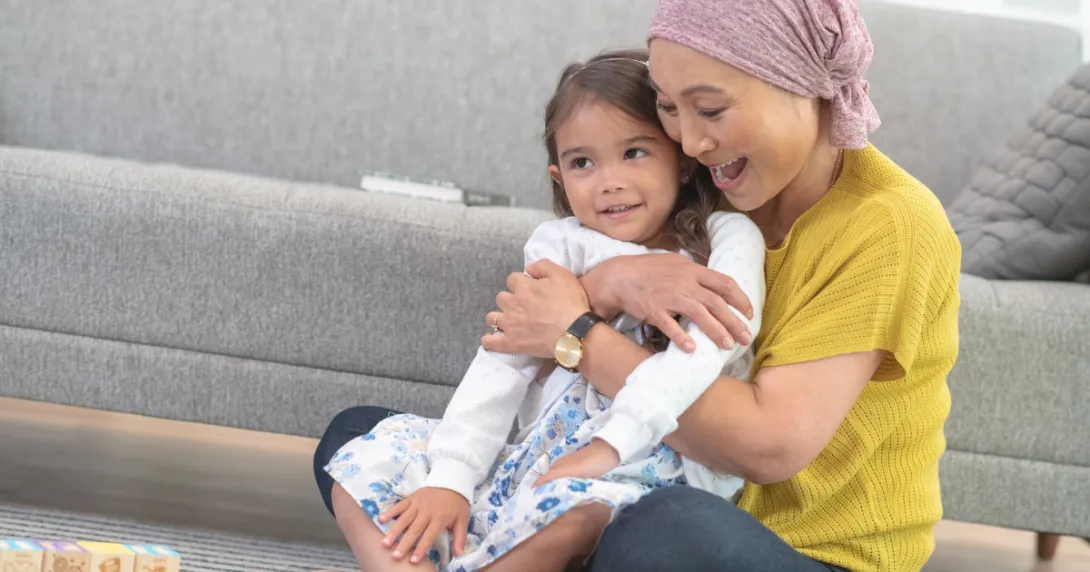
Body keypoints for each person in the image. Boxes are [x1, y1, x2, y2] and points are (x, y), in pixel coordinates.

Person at [315, 0, 962, 569]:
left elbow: (770, 446)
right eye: (670, 110)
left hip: (788, 549)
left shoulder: (887, 224)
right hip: (629, 487)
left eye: (710, 109)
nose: (691, 141)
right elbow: (539, 317)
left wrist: (577, 334)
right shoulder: (719, 186)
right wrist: (607, 283)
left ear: (801, 83)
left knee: (661, 531)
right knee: (359, 434)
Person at [319, 50, 766, 572]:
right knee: (366, 449)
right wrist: (451, 480)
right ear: (560, 178)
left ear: (682, 160)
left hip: (650, 469)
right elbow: (503, 362)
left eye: (634, 153)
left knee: (576, 513)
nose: (609, 181)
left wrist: (608, 446)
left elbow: (704, 356)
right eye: (583, 163)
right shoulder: (560, 245)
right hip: (541, 459)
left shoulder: (726, 240)